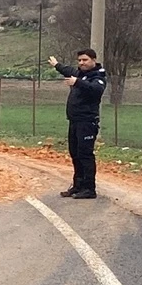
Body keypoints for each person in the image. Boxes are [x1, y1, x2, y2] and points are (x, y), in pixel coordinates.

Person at [48, 49, 106, 199]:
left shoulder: (98, 76)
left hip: (87, 122)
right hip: (74, 121)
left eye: (85, 60)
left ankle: (89, 189)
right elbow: (68, 70)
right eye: (79, 60)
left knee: (85, 155)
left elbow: (96, 89)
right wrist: (56, 65)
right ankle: (78, 185)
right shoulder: (80, 73)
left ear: (93, 60)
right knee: (75, 154)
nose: (81, 63)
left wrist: (77, 82)